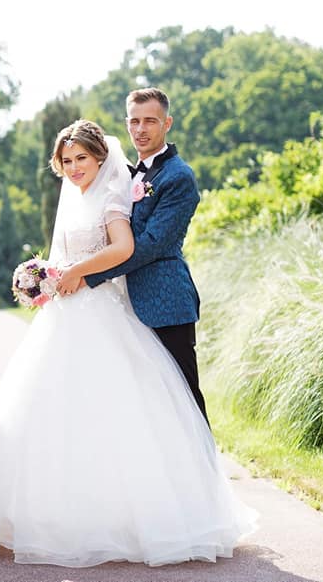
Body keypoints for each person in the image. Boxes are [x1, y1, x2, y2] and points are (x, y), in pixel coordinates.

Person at [0, 119, 256, 567]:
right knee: (52, 411)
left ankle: (127, 519)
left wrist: (78, 273)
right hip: (65, 313)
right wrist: (43, 278)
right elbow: (62, 255)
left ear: (100, 158)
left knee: (115, 409)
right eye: (66, 161)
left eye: (81, 159)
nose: (73, 168)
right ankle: (53, 514)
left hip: (102, 308)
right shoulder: (73, 196)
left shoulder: (112, 196)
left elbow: (123, 247)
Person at [78, 87, 208, 421]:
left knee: (184, 397)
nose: (141, 129)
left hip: (166, 302)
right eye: (134, 121)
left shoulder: (179, 176)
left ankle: (204, 456)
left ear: (168, 123)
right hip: (124, 304)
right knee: (145, 401)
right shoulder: (124, 173)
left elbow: (151, 244)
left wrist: (89, 274)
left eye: (150, 121)